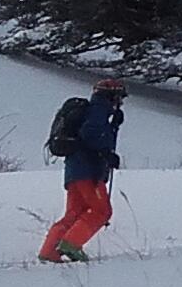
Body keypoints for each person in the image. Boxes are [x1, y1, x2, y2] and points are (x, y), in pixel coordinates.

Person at [40, 76, 126, 262]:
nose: (120, 102)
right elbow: (91, 134)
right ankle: (71, 244)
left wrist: (113, 126)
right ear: (112, 96)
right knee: (102, 211)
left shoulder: (94, 111)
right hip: (89, 172)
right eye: (119, 97)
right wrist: (106, 154)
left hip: (74, 171)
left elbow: (91, 134)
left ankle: (49, 251)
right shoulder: (99, 109)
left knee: (75, 213)